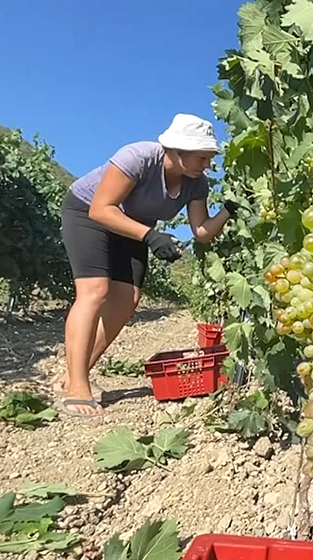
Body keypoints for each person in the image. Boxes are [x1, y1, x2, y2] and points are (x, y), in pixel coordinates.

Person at [56, 114, 236, 417]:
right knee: (95, 291)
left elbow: (202, 232)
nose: (207, 164)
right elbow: (102, 209)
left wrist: (230, 209)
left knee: (127, 300)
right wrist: (151, 236)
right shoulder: (137, 158)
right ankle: (76, 386)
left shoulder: (196, 184)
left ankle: (76, 373)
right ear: (178, 151)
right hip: (89, 213)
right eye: (203, 157)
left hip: (133, 225)